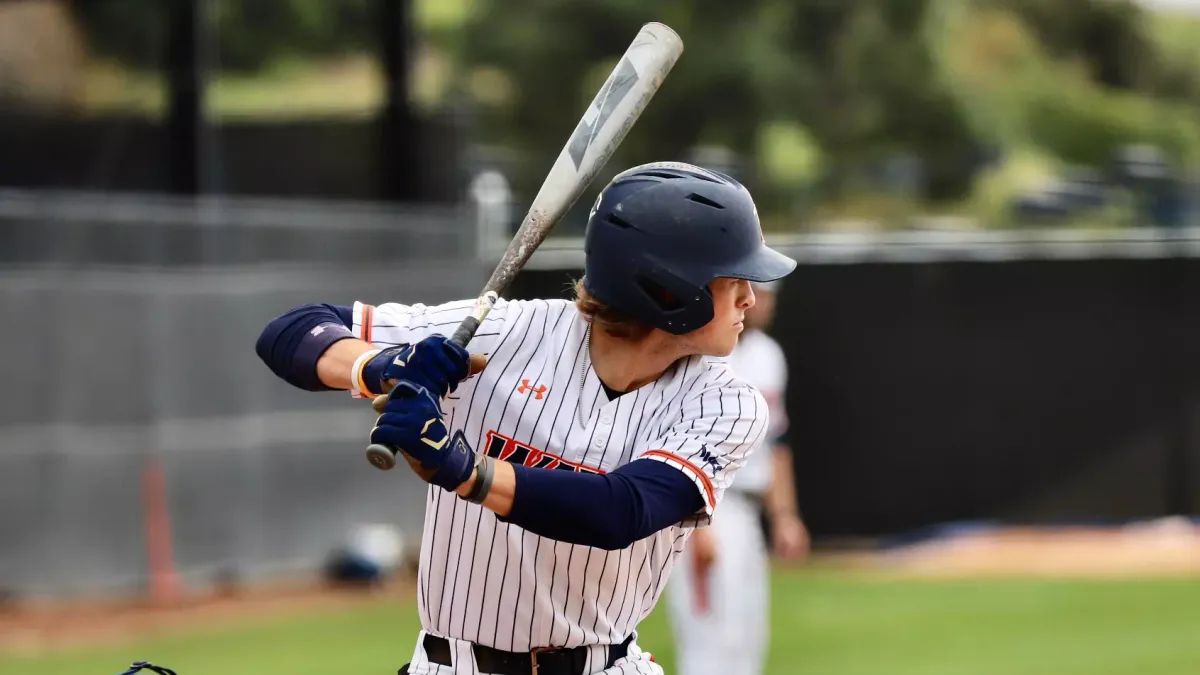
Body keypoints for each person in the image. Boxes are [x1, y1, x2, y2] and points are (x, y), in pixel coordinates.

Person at [255, 161, 797, 675]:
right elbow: (291, 331)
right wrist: (383, 368)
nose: (750, 297)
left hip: (605, 662)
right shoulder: (507, 333)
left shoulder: (724, 401)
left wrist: (467, 470)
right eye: (734, 279)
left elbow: (621, 511)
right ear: (670, 289)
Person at [664, 279, 810, 675]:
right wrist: (694, 526)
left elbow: (777, 442)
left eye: (767, 295)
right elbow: (672, 442)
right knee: (710, 639)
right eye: (755, 292)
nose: (761, 302)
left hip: (747, 509)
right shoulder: (697, 353)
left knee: (748, 634)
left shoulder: (768, 355)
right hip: (708, 505)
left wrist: (783, 515)